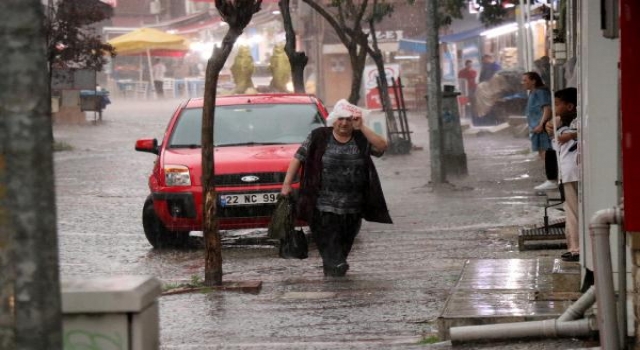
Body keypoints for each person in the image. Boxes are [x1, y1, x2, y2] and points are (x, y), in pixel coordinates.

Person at [280, 99, 393, 277]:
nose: (344, 123)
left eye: (349, 119)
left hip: (353, 205)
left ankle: (333, 270)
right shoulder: (318, 136)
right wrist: (286, 184)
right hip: (321, 202)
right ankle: (336, 264)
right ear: (334, 119)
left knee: (345, 241)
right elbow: (298, 158)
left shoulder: (361, 138)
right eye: (341, 118)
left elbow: (382, 146)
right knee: (328, 238)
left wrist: (362, 126)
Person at [545, 88, 579, 262]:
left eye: (558, 104)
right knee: (572, 210)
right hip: (569, 172)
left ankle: (576, 249)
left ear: (570, 106)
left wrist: (570, 134)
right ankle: (574, 247)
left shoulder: (574, 124)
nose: (555, 108)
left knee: (572, 211)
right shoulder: (561, 123)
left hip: (572, 172)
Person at [522, 71, 555, 190]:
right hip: (536, 127)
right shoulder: (533, 92)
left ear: (533, 80)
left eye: (525, 80)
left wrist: (541, 124)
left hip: (541, 127)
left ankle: (553, 179)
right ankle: (550, 178)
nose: (523, 83)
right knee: (542, 152)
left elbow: (547, 109)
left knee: (547, 152)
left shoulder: (540, 92)